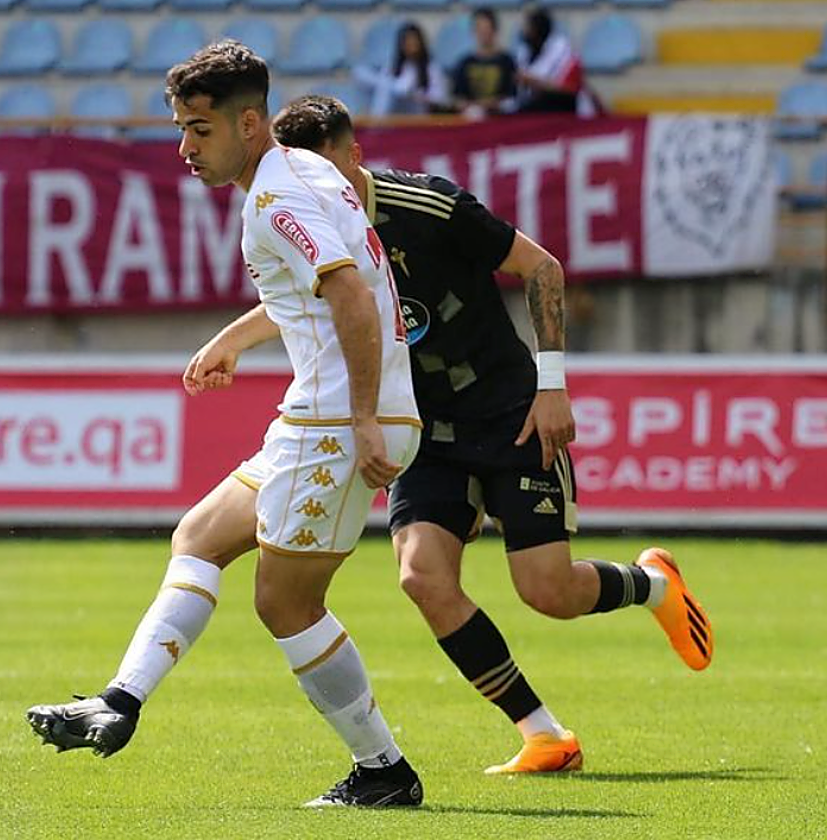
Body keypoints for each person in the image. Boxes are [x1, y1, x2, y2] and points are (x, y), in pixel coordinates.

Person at [26, 41, 426, 809]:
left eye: (199, 129)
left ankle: (384, 772)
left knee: (286, 604)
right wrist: (231, 340)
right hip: (321, 413)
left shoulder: (273, 202)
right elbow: (323, 290)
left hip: (341, 420)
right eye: (180, 127)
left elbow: (347, 295)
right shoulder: (309, 171)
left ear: (249, 124)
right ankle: (122, 699)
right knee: (199, 537)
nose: (184, 147)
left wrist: (369, 419)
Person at [271, 95, 714, 774]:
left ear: (352, 155)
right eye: (297, 175)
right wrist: (231, 343)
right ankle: (545, 735)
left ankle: (651, 583)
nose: (313, 189)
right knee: (421, 578)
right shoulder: (308, 229)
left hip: (510, 412)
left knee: (549, 592)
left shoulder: (432, 208)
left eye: (321, 170)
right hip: (425, 429)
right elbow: (294, 304)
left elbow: (542, 268)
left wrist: (553, 384)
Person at [354, 22, 450, 117]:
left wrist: (416, 95)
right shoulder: (392, 65)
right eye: (407, 42)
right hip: (395, 113)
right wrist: (397, 88)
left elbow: (440, 98)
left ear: (420, 43)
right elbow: (385, 90)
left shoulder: (431, 67)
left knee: (387, 86)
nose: (411, 45)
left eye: (414, 42)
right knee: (382, 85)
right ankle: (378, 123)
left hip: (420, 113)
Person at [514, 9, 590, 116]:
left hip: (566, 108)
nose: (524, 31)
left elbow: (567, 91)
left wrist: (533, 81)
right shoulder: (524, 52)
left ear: (537, 30)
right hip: (536, 107)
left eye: (528, 27)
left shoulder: (565, 53)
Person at [452, 7, 519, 120]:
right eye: (479, 28)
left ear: (494, 30)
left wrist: (488, 104)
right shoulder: (465, 62)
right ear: (473, 31)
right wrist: (466, 105)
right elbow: (458, 97)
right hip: (471, 116)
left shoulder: (506, 61)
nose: (483, 33)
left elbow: (511, 98)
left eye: (486, 28)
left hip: (500, 117)